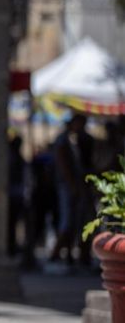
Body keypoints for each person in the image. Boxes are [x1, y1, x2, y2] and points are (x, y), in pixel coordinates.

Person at [51, 113, 95, 266]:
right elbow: (63, 166)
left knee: (74, 221)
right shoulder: (63, 140)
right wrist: (73, 186)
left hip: (72, 186)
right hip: (67, 187)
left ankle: (67, 256)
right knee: (67, 222)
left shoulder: (72, 139)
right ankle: (55, 255)